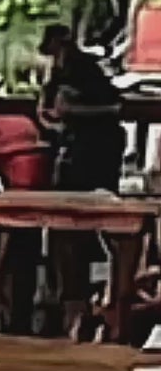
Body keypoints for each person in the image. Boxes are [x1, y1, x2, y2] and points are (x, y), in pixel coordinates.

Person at [36, 23, 127, 331]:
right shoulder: (56, 73)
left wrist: (75, 111)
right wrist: (52, 118)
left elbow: (115, 106)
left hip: (96, 151)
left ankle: (89, 299)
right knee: (63, 225)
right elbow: (49, 110)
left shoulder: (86, 69)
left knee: (91, 221)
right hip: (70, 149)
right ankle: (66, 299)